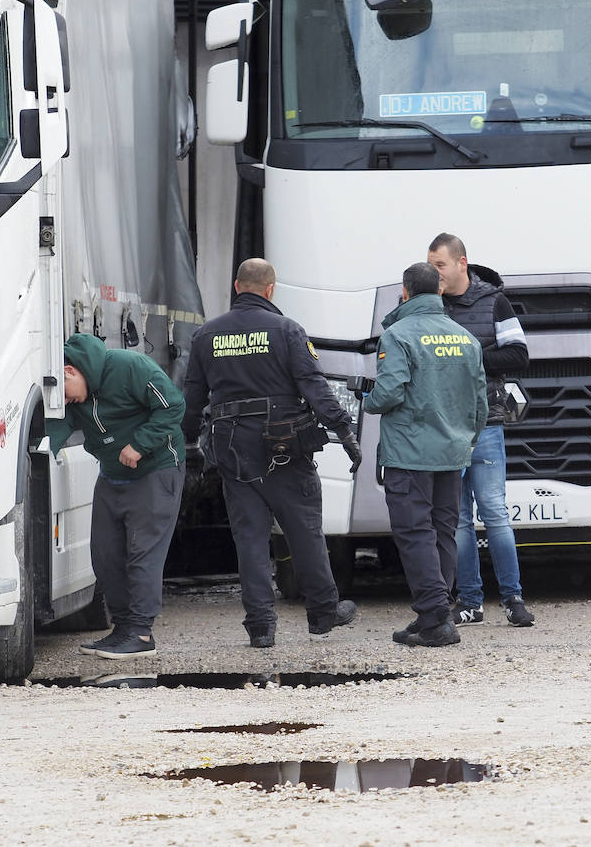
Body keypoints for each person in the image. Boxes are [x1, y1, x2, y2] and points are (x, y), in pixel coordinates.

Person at [182, 258, 363, 648]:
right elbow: (314, 387)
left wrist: (190, 445)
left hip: (232, 447)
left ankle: (261, 626)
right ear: (270, 289)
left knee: (249, 536)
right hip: (283, 444)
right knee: (304, 529)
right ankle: (322, 613)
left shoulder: (206, 335)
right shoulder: (286, 330)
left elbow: (192, 399)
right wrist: (345, 431)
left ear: (236, 286)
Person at [364, 262, 487, 647]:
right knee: (443, 532)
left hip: (410, 454)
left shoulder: (398, 335)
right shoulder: (466, 338)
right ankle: (433, 612)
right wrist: (465, 439)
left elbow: (389, 393)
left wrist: (366, 399)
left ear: (405, 292)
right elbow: (480, 403)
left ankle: (435, 618)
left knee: (415, 532)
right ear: (439, 291)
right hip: (452, 453)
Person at [46, 332, 186, 658]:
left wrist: (140, 444)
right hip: (112, 475)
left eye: (64, 393)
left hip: (155, 471)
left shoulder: (130, 367)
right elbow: (52, 432)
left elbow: (172, 406)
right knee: (106, 555)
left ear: (70, 371)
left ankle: (140, 634)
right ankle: (122, 628)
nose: (64, 401)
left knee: (142, 554)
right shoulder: (75, 397)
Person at [428, 232, 535, 628]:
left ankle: (513, 599)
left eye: (440, 264)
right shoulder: (427, 305)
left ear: (461, 263)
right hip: (444, 426)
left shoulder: (495, 301)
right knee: (456, 519)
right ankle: (470, 602)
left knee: (494, 513)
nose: (434, 272)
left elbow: (519, 355)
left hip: (486, 422)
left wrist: (465, 355)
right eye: (430, 264)